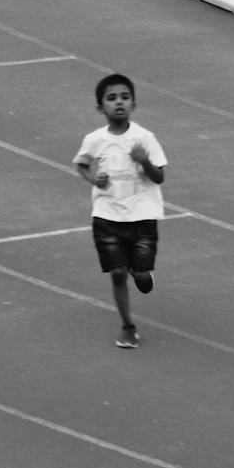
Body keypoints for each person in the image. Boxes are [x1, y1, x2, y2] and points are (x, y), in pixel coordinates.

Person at [73, 72, 167, 347]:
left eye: (125, 97)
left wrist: (145, 161)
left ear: (134, 105)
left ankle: (141, 271)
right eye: (112, 98)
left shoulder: (145, 138)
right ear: (101, 108)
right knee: (116, 273)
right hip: (107, 216)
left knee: (139, 275)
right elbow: (80, 163)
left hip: (142, 217)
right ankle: (128, 326)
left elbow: (159, 176)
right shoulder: (94, 140)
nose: (119, 103)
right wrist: (94, 179)